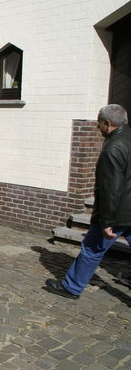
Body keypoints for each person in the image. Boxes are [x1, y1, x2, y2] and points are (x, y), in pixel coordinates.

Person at [46, 104, 131, 299]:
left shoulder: (113, 147)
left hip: (118, 212)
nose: (97, 128)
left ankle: (72, 287)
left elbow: (111, 187)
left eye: (99, 123)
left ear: (107, 123)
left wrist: (107, 221)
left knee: (92, 248)